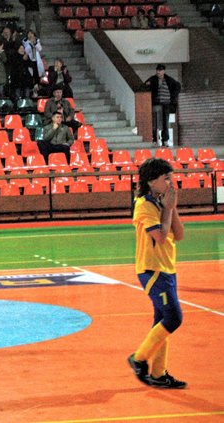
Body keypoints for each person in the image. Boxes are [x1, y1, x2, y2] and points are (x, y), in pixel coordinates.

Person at [128, 158, 186, 389]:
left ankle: (159, 374)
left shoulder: (162, 203)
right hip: (152, 269)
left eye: (171, 178)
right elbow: (160, 237)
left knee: (161, 322)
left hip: (167, 268)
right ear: (152, 181)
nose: (171, 182)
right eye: (166, 178)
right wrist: (167, 209)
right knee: (173, 318)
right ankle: (139, 358)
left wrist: (172, 208)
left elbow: (178, 235)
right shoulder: (143, 205)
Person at [145, 64, 181, 147]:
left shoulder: (169, 79)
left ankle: (165, 140)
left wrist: (173, 96)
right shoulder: (153, 79)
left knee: (165, 122)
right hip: (156, 103)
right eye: (157, 70)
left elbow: (177, 86)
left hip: (166, 104)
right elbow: (144, 86)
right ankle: (154, 139)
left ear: (163, 71)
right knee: (154, 122)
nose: (158, 72)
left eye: (160, 70)